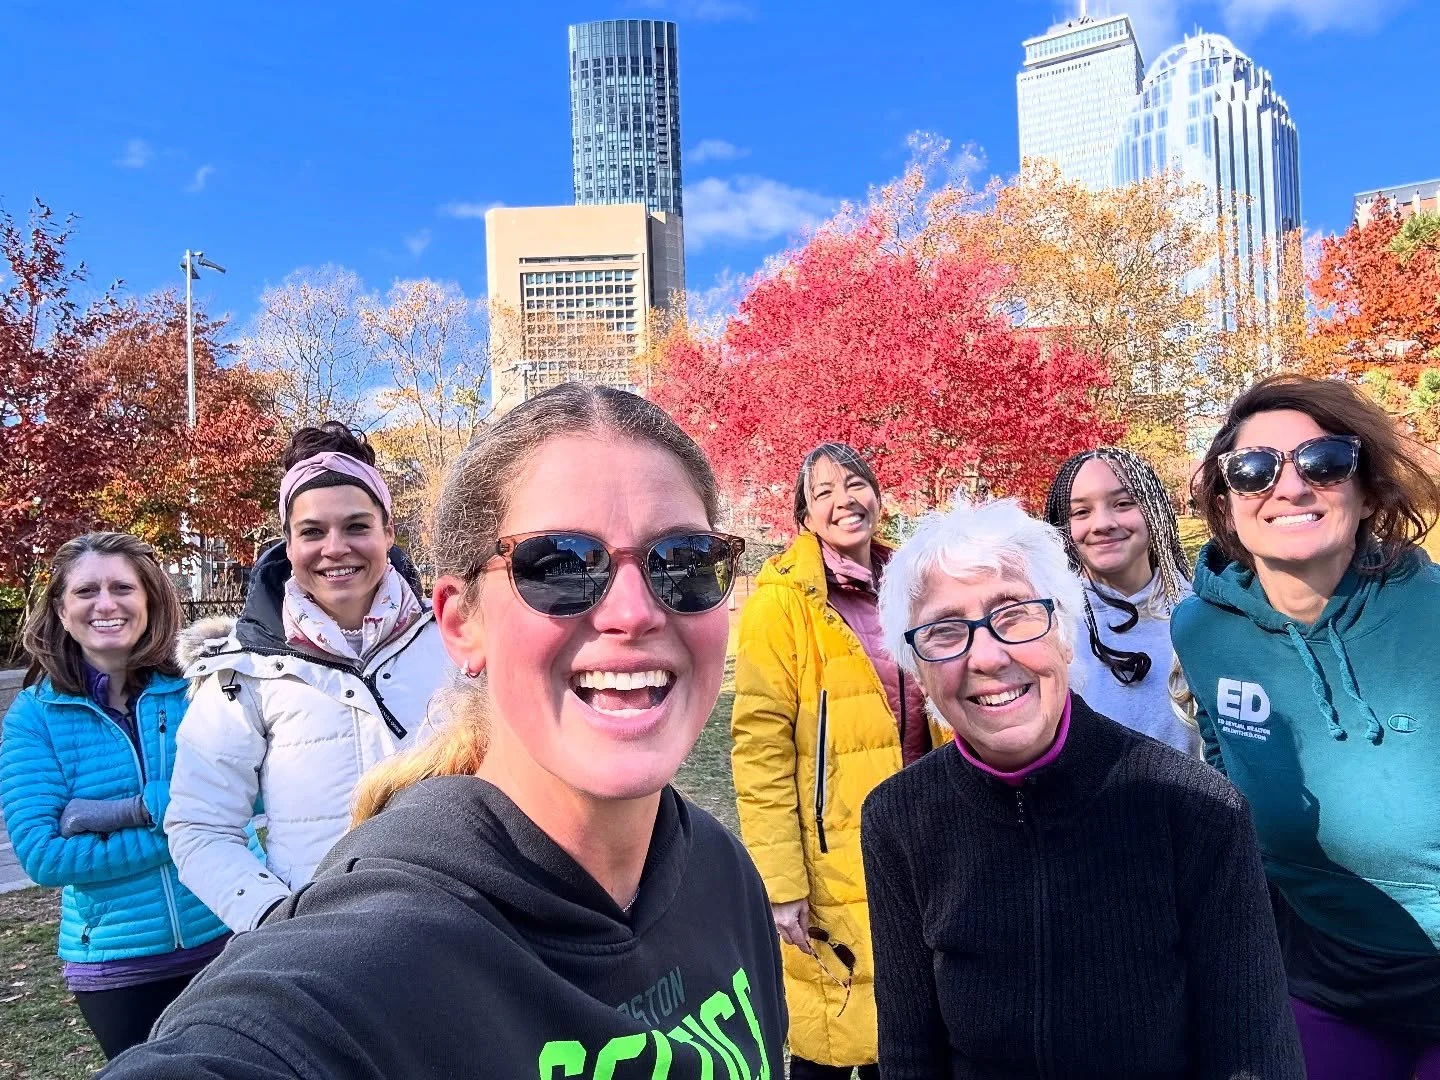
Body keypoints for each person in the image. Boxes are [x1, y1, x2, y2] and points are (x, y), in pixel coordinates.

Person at [99, 384, 786, 1078]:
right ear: (464, 623)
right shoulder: (379, 966)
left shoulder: (723, 873)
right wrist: (286, 915)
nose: (633, 613)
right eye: (559, 566)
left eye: (685, 561)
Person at [861, 498, 1303, 1079]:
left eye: (1015, 614)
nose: (987, 656)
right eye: (945, 632)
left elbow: (1254, 1055)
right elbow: (909, 1055)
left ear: (1064, 635)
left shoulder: (1196, 810)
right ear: (918, 671)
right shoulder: (898, 819)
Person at [1172, 374, 1440, 1078]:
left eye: (1323, 462)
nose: (1289, 487)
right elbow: (1227, 773)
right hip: (1319, 971)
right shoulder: (1201, 630)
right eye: (1254, 468)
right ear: (1226, 503)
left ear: (1366, 485)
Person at [163, 422, 452, 933]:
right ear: (289, 544)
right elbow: (201, 825)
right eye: (313, 531)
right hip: (326, 946)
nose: (335, 547)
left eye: (357, 526)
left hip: (458, 927)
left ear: (388, 532)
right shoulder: (241, 671)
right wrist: (276, 920)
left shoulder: (458, 640)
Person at [731, 442, 949, 1079]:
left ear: (879, 497)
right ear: (804, 514)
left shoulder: (914, 587)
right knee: (831, 1029)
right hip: (831, 852)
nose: (843, 500)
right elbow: (760, 743)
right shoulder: (785, 600)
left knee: (912, 1026)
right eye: (822, 491)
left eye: (855, 484)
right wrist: (780, 883)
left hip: (927, 834)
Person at [0, 533, 231, 1059]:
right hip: (118, 965)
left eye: (123, 587)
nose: (106, 604)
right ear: (62, 610)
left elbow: (254, 795)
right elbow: (45, 855)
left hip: (230, 933)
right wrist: (175, 815)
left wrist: (117, 814)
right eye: (86, 591)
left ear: (149, 599)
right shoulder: (34, 718)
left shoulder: (206, 687)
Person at [1044, 446, 1197, 753]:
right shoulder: (1050, 627)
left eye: (1123, 503)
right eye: (1081, 512)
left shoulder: (1201, 615)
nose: (1102, 523)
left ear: (1154, 511)